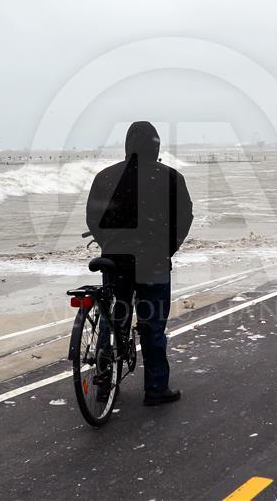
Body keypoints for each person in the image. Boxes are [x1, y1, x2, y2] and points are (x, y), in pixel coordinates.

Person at [86, 121, 193, 406]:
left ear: (127, 146)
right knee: (152, 326)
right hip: (153, 263)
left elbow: (92, 219)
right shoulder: (171, 177)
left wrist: (108, 244)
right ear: (156, 147)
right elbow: (185, 218)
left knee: (113, 320)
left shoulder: (105, 177)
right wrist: (168, 249)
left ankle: (105, 384)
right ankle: (156, 389)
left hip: (114, 261)